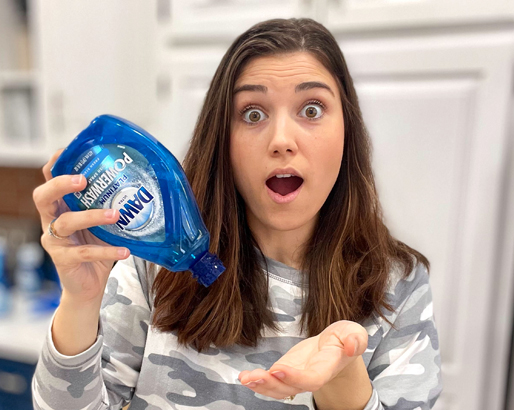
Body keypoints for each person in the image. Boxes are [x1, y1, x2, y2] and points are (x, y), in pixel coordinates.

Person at [31, 18, 442, 410]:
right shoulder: (151, 262)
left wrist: (343, 376)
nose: (282, 140)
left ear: (347, 131)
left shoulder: (398, 286)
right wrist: (80, 301)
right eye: (253, 114)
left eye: (312, 109)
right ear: (222, 140)